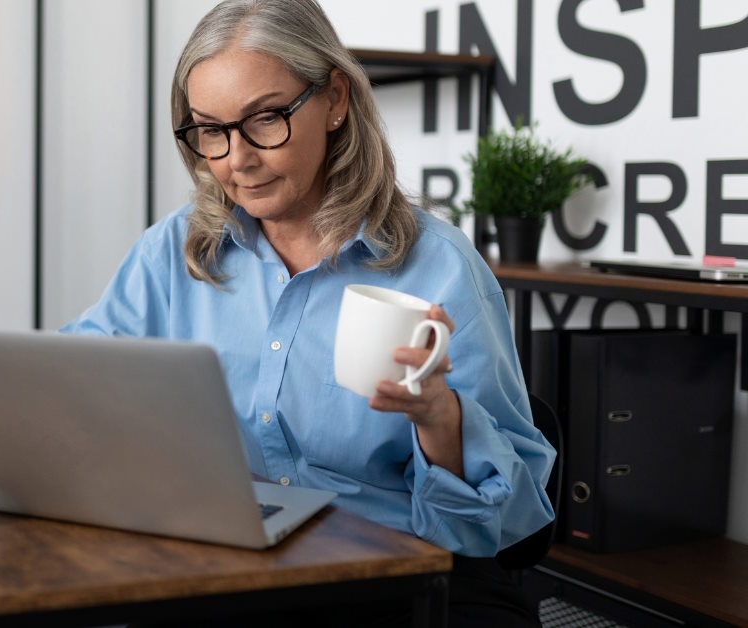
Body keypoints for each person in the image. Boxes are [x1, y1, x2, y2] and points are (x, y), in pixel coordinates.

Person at [62, 0, 555, 624]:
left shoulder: (441, 267)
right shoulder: (176, 250)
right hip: (226, 562)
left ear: (336, 100)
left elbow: (511, 522)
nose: (237, 159)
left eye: (265, 120)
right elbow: (74, 375)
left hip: (388, 573)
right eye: (211, 130)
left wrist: (439, 419)